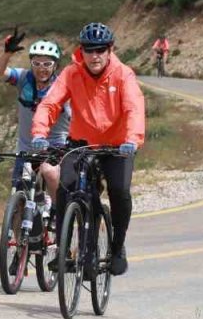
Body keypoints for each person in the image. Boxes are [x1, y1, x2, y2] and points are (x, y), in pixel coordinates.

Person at [30, 22, 145, 277]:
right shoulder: (72, 73)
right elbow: (50, 104)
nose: (95, 55)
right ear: (81, 51)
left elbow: (133, 108)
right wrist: (39, 132)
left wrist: (132, 139)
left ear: (110, 50)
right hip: (82, 145)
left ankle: (117, 247)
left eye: (100, 50)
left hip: (118, 147)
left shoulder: (123, 74)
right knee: (67, 188)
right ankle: (66, 250)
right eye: (89, 50)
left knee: (119, 191)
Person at [0, 28, 72, 209]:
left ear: (55, 66)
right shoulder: (23, 78)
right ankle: (19, 233)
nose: (42, 68)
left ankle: (59, 214)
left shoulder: (64, 86)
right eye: (37, 63)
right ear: (31, 64)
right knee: (19, 196)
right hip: (26, 148)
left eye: (47, 64)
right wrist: (7, 54)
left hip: (56, 146)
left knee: (50, 174)